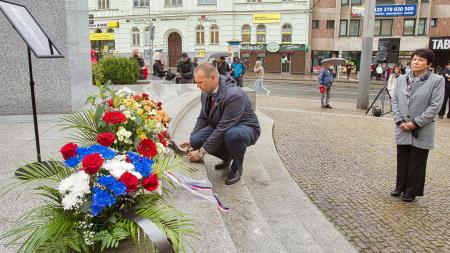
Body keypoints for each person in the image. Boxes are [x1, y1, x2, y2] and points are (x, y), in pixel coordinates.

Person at [179, 63, 260, 185]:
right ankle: (227, 156)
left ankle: (237, 167)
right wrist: (192, 142)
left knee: (232, 135)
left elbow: (223, 128)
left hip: (245, 128)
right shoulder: (206, 92)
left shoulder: (234, 94)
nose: (197, 86)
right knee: (196, 140)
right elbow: (203, 118)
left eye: (200, 82)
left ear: (212, 77)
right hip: (222, 126)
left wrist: (201, 152)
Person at [391, 48, 444, 202]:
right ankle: (399, 186)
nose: (416, 62)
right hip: (402, 126)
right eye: (414, 59)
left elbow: (435, 107)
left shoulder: (436, 80)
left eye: (421, 60)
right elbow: (395, 101)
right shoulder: (401, 79)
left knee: (417, 161)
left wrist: (415, 123)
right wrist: (400, 121)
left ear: (429, 64)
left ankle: (411, 191)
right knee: (402, 158)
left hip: (422, 128)